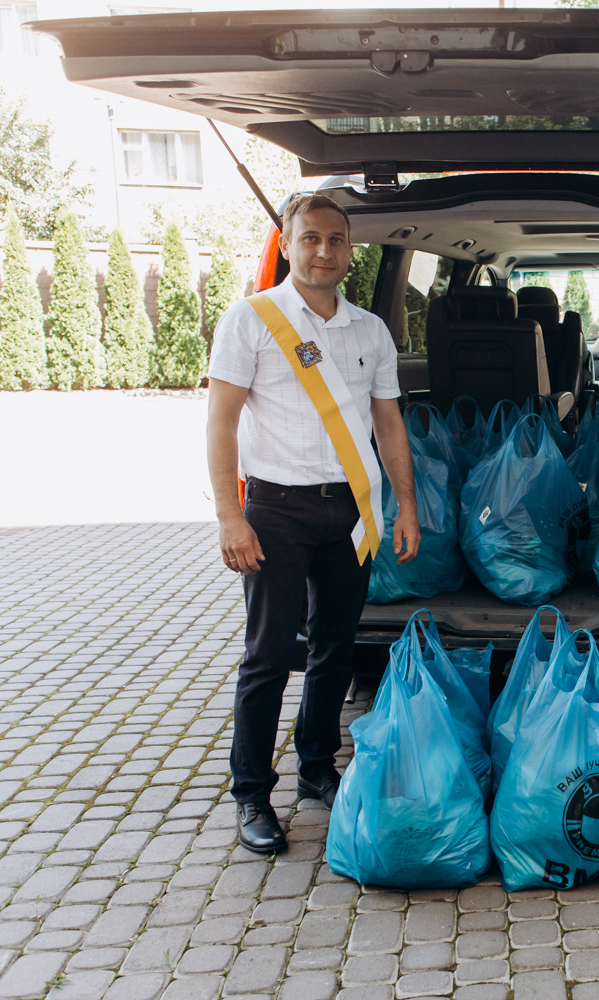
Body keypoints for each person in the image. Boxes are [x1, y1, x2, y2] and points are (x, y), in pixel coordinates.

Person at [206, 194, 421, 855]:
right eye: (310, 238)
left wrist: (406, 505)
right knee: (269, 656)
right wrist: (229, 515)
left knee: (335, 648)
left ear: (350, 248)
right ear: (288, 241)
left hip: (350, 510)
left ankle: (317, 767)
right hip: (275, 510)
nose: (323, 251)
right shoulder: (250, 320)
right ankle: (251, 793)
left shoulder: (370, 331)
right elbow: (221, 422)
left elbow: (388, 424)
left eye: (335, 239)